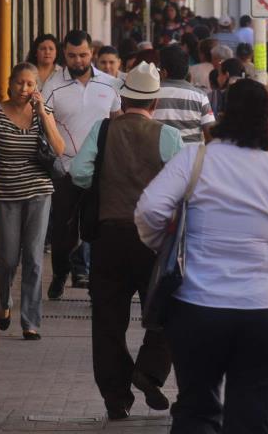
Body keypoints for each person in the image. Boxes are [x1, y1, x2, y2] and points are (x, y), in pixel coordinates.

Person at [135, 79, 268, 434]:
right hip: (264, 312)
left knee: (195, 411)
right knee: (255, 417)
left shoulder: (195, 159)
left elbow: (149, 211)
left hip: (197, 308)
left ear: (222, 115)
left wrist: (166, 244)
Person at [72, 62, 184, 420]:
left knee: (108, 320)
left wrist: (108, 184)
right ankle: (148, 372)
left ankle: (115, 396)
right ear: (154, 103)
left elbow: (78, 173)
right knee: (169, 311)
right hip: (154, 242)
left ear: (123, 97)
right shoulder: (168, 136)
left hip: (108, 238)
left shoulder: (103, 130)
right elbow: (183, 187)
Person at [0, 63, 65, 341]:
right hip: (6, 192)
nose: (24, 89)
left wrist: (42, 113)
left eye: (30, 84)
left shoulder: (44, 112)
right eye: (19, 83)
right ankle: (4, 302)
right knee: (6, 257)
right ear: (10, 84)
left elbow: (59, 148)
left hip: (39, 191)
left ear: (36, 88)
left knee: (33, 257)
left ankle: (31, 321)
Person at [42, 30, 122, 298]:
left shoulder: (112, 85)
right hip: (64, 171)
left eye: (84, 55)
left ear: (92, 54)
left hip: (100, 171)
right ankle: (61, 273)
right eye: (73, 56)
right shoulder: (52, 86)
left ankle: (92, 279)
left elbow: (118, 124)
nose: (78, 61)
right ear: (65, 54)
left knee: (98, 229)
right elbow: (44, 126)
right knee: (64, 231)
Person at [155, 45, 215, 144]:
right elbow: (210, 134)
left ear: (164, 72)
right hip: (193, 157)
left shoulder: (152, 94)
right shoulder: (200, 96)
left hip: (161, 157)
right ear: (187, 70)